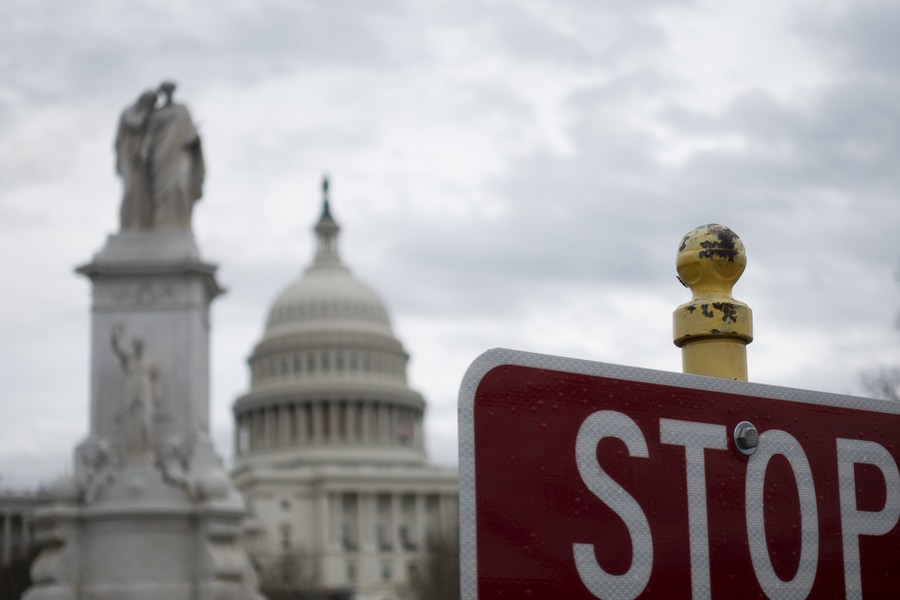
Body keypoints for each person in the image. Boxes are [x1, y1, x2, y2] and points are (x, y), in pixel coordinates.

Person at [146, 81, 205, 230]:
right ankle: (160, 225)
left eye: (170, 91)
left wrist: (195, 140)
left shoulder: (182, 109)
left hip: (179, 153)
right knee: (160, 191)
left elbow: (190, 134)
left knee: (179, 187)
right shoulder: (157, 114)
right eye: (165, 91)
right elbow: (149, 136)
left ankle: (179, 225)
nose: (168, 94)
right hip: (160, 154)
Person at [111, 323, 158, 458]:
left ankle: (148, 449)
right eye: (136, 344)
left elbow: (156, 376)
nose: (138, 347)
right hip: (130, 392)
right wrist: (115, 336)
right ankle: (129, 451)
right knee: (129, 421)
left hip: (145, 393)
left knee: (146, 421)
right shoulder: (128, 359)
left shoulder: (148, 363)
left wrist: (156, 392)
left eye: (140, 344)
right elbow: (116, 349)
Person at [114, 90, 157, 230]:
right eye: (148, 103)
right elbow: (135, 123)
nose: (149, 106)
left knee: (143, 195)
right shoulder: (129, 111)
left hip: (142, 159)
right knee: (130, 191)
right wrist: (147, 112)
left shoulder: (148, 115)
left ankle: (141, 225)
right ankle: (127, 225)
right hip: (129, 154)